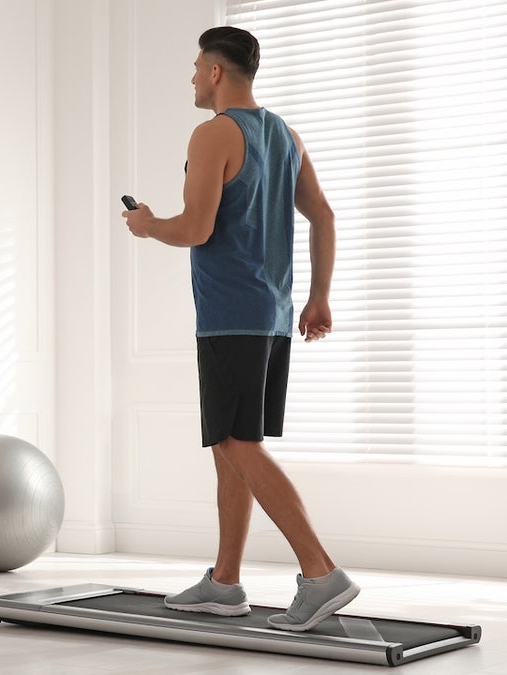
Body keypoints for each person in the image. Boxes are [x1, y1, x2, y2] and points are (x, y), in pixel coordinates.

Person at [121, 25, 359, 632]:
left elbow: (195, 229)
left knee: (234, 443)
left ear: (218, 72)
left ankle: (320, 571)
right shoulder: (284, 135)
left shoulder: (213, 134)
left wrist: (148, 225)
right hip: (273, 318)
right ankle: (225, 582)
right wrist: (319, 297)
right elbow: (323, 214)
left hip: (231, 317)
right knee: (233, 450)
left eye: (197, 66)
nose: (193, 77)